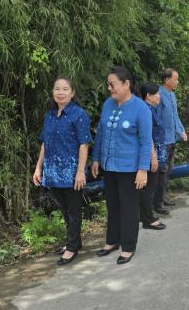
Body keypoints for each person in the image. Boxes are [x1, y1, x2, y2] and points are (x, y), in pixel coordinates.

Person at [91, 66, 152, 264]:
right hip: (109, 166)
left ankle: (128, 246)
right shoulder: (108, 104)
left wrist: (143, 169)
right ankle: (112, 241)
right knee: (113, 204)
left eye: (113, 84)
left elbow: (145, 141)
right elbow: (101, 132)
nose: (110, 88)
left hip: (130, 168)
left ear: (126, 84)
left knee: (129, 207)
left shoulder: (141, 108)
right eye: (108, 85)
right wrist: (96, 158)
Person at [33, 77, 92, 266]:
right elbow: (44, 143)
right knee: (64, 209)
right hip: (52, 171)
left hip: (71, 171)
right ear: (53, 92)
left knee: (73, 210)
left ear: (72, 93)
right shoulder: (50, 115)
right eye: (57, 88)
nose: (60, 92)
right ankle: (74, 241)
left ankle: (72, 247)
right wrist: (38, 167)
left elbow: (84, 144)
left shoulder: (79, 114)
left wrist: (81, 171)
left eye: (65, 89)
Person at [156, 68, 187, 215]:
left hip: (172, 138)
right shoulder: (158, 95)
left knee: (168, 170)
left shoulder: (172, 95)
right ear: (167, 80)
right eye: (175, 79)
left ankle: (162, 198)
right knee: (161, 171)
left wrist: (181, 130)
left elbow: (175, 116)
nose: (177, 82)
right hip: (163, 140)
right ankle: (157, 203)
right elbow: (157, 118)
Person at [139, 83, 167, 231]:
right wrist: (153, 157)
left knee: (148, 187)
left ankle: (143, 215)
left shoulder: (152, 109)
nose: (159, 96)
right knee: (149, 187)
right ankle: (148, 219)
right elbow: (147, 136)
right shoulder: (146, 111)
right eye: (157, 93)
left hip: (156, 152)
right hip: (151, 154)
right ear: (148, 96)